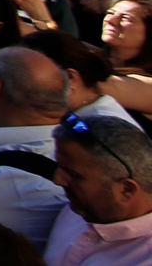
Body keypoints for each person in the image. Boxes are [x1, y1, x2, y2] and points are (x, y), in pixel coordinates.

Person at [44, 112, 152, 265]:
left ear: (126, 189)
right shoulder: (76, 209)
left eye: (74, 175)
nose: (58, 180)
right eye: (60, 167)